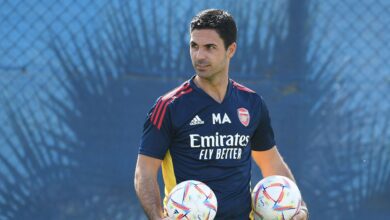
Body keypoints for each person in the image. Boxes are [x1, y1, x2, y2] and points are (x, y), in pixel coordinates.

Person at [134, 9, 309, 220]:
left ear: (231, 49)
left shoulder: (251, 103)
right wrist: (157, 217)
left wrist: (300, 208)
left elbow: (271, 162)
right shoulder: (169, 106)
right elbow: (144, 172)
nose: (199, 56)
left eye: (210, 47)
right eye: (194, 46)